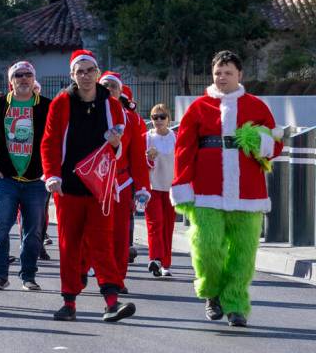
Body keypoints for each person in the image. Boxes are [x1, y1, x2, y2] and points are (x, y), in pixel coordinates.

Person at [171, 50, 283, 327]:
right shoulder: (198, 107)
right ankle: (212, 293)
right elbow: (183, 149)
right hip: (206, 191)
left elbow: (275, 144)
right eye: (218, 73)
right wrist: (181, 184)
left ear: (240, 75)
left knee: (243, 253)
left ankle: (236, 305)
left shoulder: (257, 106)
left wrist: (260, 141)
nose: (222, 77)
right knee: (207, 246)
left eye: (228, 72)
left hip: (248, 193)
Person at [40, 49, 135, 323]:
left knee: (101, 243)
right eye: (79, 71)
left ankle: (112, 301)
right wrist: (52, 175)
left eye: (89, 70)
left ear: (97, 73)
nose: (85, 76)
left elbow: (121, 143)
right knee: (69, 245)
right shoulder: (61, 103)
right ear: (72, 75)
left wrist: (117, 145)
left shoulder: (112, 104)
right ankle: (69, 302)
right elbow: (49, 142)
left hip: (100, 186)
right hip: (68, 185)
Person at [0, 62, 51, 291]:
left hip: (37, 180)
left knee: (33, 232)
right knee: (1, 227)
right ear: (10, 81)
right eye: (18, 75)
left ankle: (28, 276)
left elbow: (56, 140)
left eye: (28, 75)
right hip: (6, 179)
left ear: (34, 79)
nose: (23, 79)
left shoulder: (47, 106)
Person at [88, 72, 150, 295]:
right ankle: (89, 270)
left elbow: (138, 157)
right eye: (104, 85)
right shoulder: (88, 114)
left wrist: (142, 187)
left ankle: (117, 278)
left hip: (122, 183)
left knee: (120, 235)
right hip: (94, 182)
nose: (109, 89)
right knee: (93, 231)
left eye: (113, 86)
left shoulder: (131, 119)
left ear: (120, 91)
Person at [144, 103, 177, 277]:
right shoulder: (147, 137)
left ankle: (166, 264)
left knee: (168, 226)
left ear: (168, 119)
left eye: (162, 116)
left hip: (171, 188)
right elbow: (139, 164)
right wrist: (147, 158)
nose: (158, 120)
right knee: (155, 224)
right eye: (154, 117)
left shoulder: (176, 138)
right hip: (152, 187)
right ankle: (155, 259)